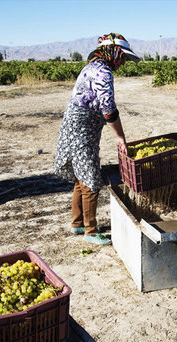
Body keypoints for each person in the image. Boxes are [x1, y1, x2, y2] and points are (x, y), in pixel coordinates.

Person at [54, 33, 140, 245]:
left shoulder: (91, 66)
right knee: (90, 178)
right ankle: (91, 231)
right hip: (82, 129)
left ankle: (78, 223)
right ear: (113, 53)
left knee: (80, 175)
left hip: (76, 125)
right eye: (123, 57)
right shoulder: (103, 71)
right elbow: (108, 108)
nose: (123, 62)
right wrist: (120, 137)